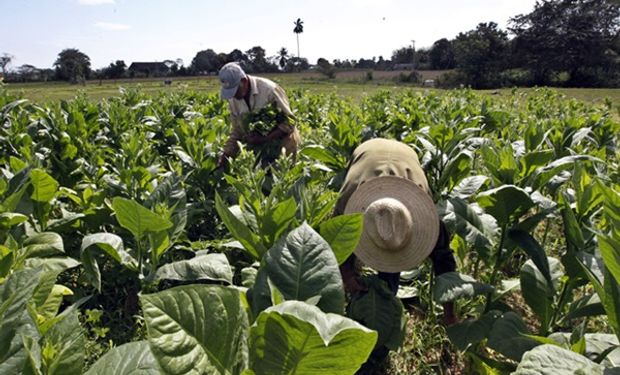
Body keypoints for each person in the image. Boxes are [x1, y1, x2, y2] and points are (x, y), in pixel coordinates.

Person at [335, 138, 458, 325]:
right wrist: (347, 276)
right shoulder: (349, 201)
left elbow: (445, 262)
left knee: (392, 243)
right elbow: (338, 243)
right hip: (366, 153)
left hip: (407, 156)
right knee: (351, 242)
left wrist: (449, 314)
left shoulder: (427, 218)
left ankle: (386, 307)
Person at [217, 62, 301, 167]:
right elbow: (237, 130)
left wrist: (265, 139)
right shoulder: (233, 100)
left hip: (284, 148)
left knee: (281, 181)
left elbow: (291, 120)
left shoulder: (269, 90)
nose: (233, 95)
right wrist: (226, 154)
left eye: (235, 90)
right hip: (259, 151)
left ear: (243, 81)